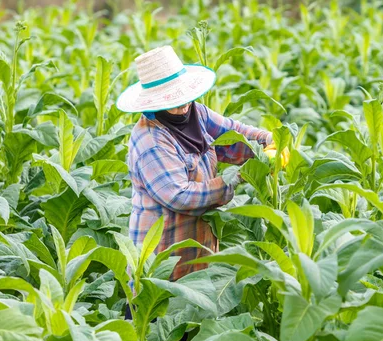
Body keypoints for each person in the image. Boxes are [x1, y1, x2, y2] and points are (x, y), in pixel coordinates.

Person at [116, 45, 282, 282]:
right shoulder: (150, 140)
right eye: (173, 100)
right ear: (154, 103)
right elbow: (180, 196)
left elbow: (233, 135)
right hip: (161, 258)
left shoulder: (197, 113)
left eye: (184, 95)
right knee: (159, 314)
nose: (183, 105)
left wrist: (268, 141)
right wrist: (236, 177)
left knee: (198, 306)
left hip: (199, 247)